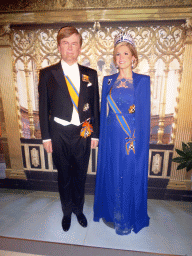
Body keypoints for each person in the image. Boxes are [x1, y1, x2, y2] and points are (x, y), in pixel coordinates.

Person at [38, 26, 100, 232]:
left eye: (74, 43)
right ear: (59, 47)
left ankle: (79, 210)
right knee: (64, 174)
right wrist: (46, 137)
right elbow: (43, 106)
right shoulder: (47, 74)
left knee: (80, 174)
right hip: (59, 133)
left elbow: (95, 106)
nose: (70, 48)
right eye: (66, 43)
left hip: (83, 132)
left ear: (80, 48)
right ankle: (66, 212)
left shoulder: (90, 74)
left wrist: (96, 134)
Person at [94, 32, 150, 235]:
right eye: (118, 54)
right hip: (111, 138)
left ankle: (127, 215)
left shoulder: (142, 81)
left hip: (130, 140)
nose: (121, 58)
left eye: (126, 53)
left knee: (128, 175)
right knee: (111, 173)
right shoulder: (108, 81)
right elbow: (104, 114)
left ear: (133, 57)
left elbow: (143, 116)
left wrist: (139, 143)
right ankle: (111, 213)